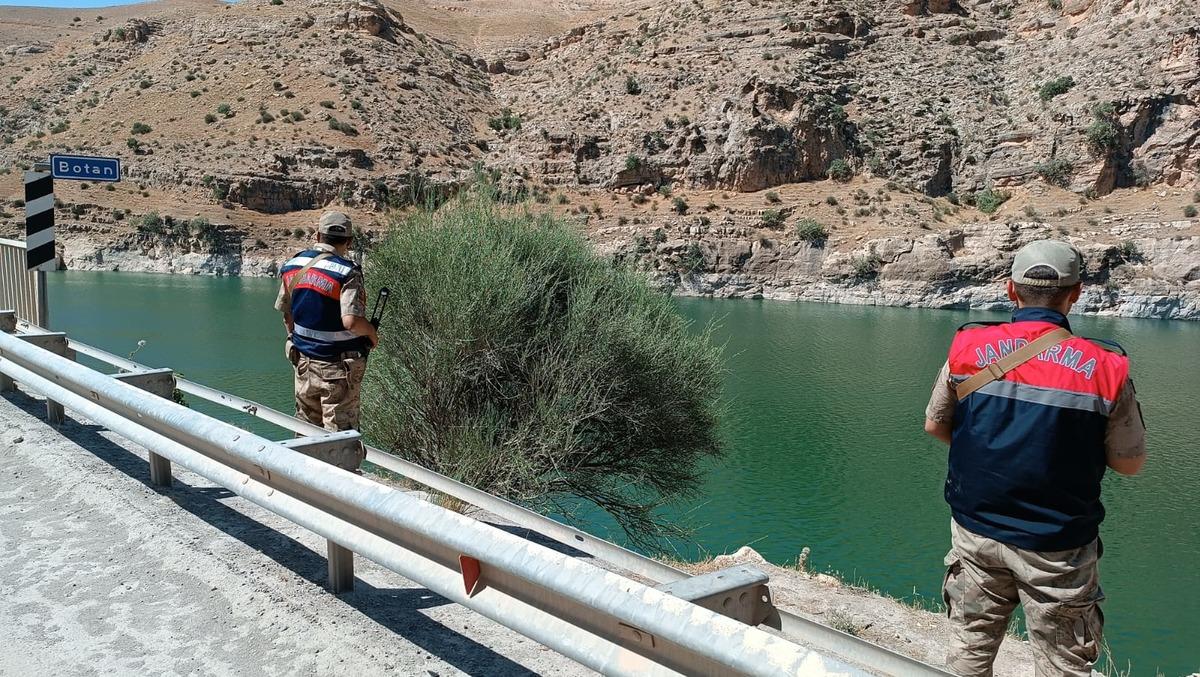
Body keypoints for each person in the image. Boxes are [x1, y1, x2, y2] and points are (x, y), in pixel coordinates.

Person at [923, 240, 1146, 677]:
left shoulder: (967, 348)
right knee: (1063, 665)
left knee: (968, 651)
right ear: (1076, 293)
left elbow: (935, 425)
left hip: (976, 532)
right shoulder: (1106, 367)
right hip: (1057, 546)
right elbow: (1129, 462)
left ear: (1011, 291)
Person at [275, 211, 378, 437]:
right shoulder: (347, 272)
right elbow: (351, 322)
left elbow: (287, 315)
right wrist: (371, 332)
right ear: (349, 241)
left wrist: (299, 341)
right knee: (340, 435)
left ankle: (299, 471)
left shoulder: (293, 265)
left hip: (303, 362)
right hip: (338, 368)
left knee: (305, 428)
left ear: (318, 234)